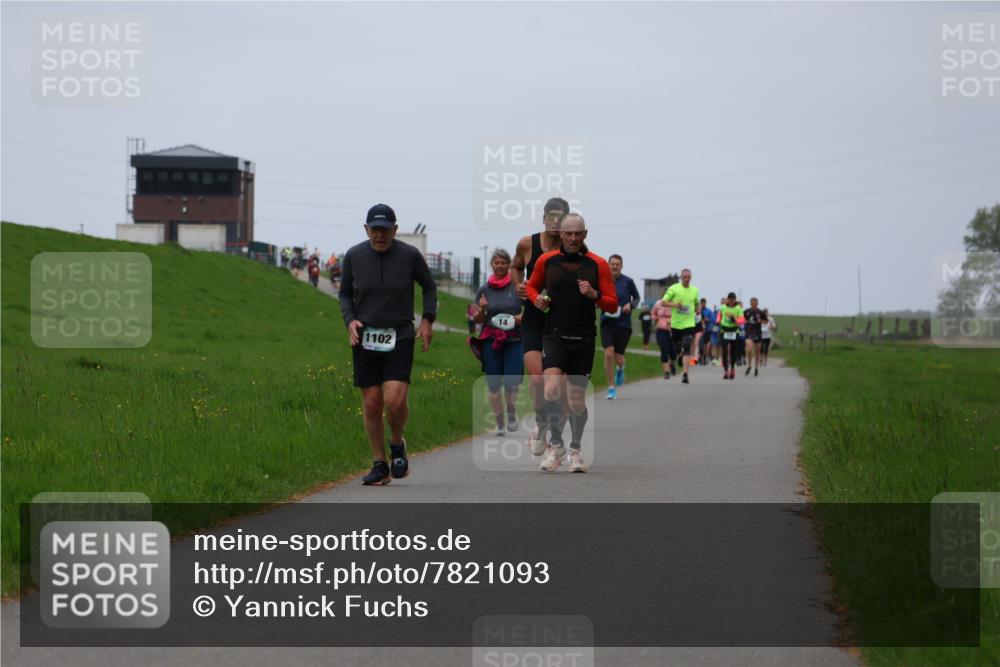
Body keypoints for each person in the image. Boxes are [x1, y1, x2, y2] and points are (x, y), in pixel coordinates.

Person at [338, 203, 437, 486]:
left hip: (400, 334)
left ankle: (397, 442)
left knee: (394, 401)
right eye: (374, 230)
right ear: (366, 229)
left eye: (385, 230)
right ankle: (380, 464)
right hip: (365, 335)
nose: (379, 236)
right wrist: (350, 321)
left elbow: (428, 286)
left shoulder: (409, 255)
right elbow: (344, 294)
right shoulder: (355, 256)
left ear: (395, 229)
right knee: (371, 403)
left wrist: (428, 320)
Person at [525, 213, 617, 473]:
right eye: (569, 234)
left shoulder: (597, 264)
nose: (574, 238)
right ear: (561, 235)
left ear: (585, 234)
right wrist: (536, 299)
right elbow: (531, 287)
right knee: (551, 388)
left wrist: (594, 294)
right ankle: (556, 446)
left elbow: (612, 303)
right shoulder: (546, 261)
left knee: (576, 400)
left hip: (584, 339)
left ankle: (575, 450)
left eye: (578, 233)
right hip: (554, 335)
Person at [511, 196, 569, 456]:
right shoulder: (527, 244)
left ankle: (552, 429)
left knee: (554, 383)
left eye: (561, 218)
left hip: (560, 320)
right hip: (534, 316)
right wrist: (519, 287)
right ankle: (541, 421)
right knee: (536, 380)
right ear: (544, 218)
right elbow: (515, 267)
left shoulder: (573, 247)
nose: (555, 222)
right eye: (551, 217)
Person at [473, 249, 524, 435]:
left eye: (504, 263)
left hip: (514, 339)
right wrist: (483, 310)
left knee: (512, 382)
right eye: (497, 263)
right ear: (492, 265)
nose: (500, 266)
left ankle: (511, 411)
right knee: (493, 384)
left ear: (509, 265)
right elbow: (477, 319)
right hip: (491, 340)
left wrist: (520, 316)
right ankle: (499, 423)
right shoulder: (484, 290)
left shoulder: (517, 287)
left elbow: (530, 309)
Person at [601, 254, 640, 400]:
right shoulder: (602, 280)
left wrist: (630, 305)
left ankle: (621, 368)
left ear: (621, 266)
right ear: (608, 265)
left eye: (617, 264)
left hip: (623, 324)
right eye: (612, 264)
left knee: (619, 356)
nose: (615, 266)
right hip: (607, 323)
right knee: (608, 353)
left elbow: (636, 298)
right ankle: (611, 388)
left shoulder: (628, 282)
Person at [660, 269, 700, 384]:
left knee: (687, 346)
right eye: (684, 277)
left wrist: (698, 309)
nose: (687, 279)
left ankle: (685, 374)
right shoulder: (674, 288)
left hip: (689, 323)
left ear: (691, 278)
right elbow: (663, 302)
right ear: (681, 278)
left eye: (689, 277)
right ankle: (679, 355)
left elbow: (696, 303)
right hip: (676, 324)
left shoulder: (694, 290)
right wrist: (675, 305)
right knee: (677, 348)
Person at [717, 292, 743, 380]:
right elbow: (719, 316)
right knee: (724, 350)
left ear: (735, 300)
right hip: (724, 330)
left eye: (733, 300)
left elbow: (742, 320)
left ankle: (732, 368)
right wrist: (718, 322)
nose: (731, 301)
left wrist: (735, 320)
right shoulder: (723, 307)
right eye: (730, 299)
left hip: (734, 331)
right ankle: (725, 371)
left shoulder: (738, 308)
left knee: (733, 351)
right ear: (727, 299)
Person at [651, 295, 673, 379]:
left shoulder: (674, 304)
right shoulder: (658, 303)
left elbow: (680, 316)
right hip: (660, 329)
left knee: (673, 353)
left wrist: (671, 321)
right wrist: (655, 318)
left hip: (672, 330)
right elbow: (653, 313)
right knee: (664, 349)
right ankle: (666, 372)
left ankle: (671, 362)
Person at [743, 297, 765, 377]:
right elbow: (741, 319)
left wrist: (761, 321)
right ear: (750, 303)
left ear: (757, 304)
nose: (753, 305)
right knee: (749, 349)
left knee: (757, 351)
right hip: (749, 332)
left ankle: (756, 367)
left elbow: (766, 321)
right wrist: (744, 321)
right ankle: (749, 365)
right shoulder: (746, 311)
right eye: (752, 303)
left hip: (757, 333)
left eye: (755, 303)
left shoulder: (760, 312)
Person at [699, 298, 715, 365]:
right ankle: (699, 358)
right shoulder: (698, 310)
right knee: (699, 345)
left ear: (705, 303)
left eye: (704, 303)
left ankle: (705, 358)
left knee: (706, 344)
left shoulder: (709, 311)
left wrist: (707, 320)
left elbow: (713, 320)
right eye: (701, 303)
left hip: (707, 329)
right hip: (699, 329)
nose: (703, 304)